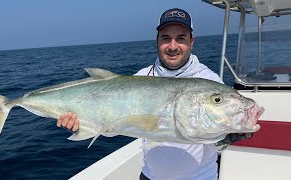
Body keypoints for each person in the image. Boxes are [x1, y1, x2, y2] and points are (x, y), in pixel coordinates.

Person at [57, 8, 251, 180]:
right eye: (166, 38)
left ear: (191, 42)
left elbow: (212, 140)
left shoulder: (209, 81)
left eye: (181, 38)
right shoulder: (141, 77)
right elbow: (115, 127)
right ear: (157, 41)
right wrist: (81, 124)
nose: (173, 46)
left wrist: (226, 137)